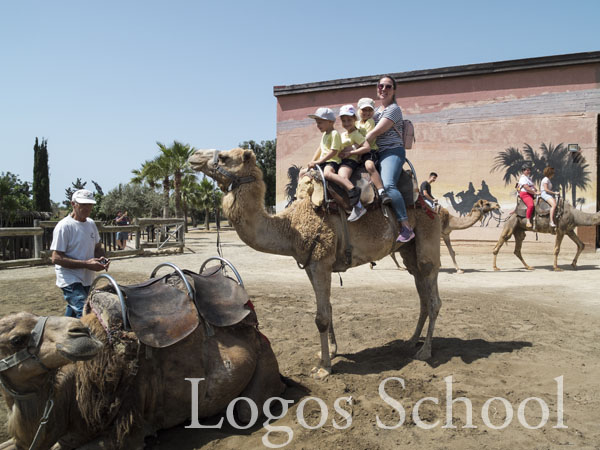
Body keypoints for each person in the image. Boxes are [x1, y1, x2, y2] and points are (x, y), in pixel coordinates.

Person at [365, 75, 415, 242]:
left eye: (388, 86)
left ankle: (406, 226)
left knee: (388, 184)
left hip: (392, 151)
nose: (383, 89)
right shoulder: (375, 111)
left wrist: (354, 145)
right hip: (375, 153)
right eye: (381, 86)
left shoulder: (394, 109)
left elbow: (374, 133)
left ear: (394, 90)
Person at [50, 189, 109, 318]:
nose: (87, 208)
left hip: (87, 278)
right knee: (85, 310)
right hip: (69, 278)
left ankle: (64, 334)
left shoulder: (91, 224)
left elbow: (97, 246)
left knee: (74, 311)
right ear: (73, 204)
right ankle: (86, 338)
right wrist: (87, 264)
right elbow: (56, 258)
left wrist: (102, 258)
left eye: (89, 205)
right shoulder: (64, 226)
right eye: (83, 205)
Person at [303, 107, 363, 221]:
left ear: (330, 122)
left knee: (327, 174)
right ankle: (301, 201)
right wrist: (312, 161)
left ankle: (353, 190)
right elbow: (320, 149)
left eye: (320, 122)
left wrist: (319, 161)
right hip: (323, 161)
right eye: (317, 123)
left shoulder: (335, 133)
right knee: (303, 173)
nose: (318, 125)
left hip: (332, 161)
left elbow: (334, 151)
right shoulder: (325, 135)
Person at [338, 104, 373, 221]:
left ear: (355, 119)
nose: (346, 123)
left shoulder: (356, 134)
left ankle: (357, 205)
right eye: (344, 120)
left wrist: (351, 153)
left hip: (350, 161)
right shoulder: (342, 134)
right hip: (341, 160)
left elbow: (367, 147)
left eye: (349, 120)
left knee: (342, 176)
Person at [355, 98, 390, 206]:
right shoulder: (356, 123)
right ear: (359, 111)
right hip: (357, 151)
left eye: (369, 110)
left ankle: (381, 191)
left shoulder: (370, 122)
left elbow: (368, 138)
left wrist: (354, 148)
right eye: (363, 110)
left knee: (369, 165)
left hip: (369, 150)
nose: (366, 113)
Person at [517, 163, 539, 229]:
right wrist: (535, 193)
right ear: (523, 171)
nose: (529, 171)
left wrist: (537, 191)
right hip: (525, 194)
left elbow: (532, 186)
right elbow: (527, 188)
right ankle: (528, 221)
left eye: (529, 170)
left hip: (531, 193)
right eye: (527, 170)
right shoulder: (522, 178)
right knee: (531, 205)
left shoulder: (528, 178)